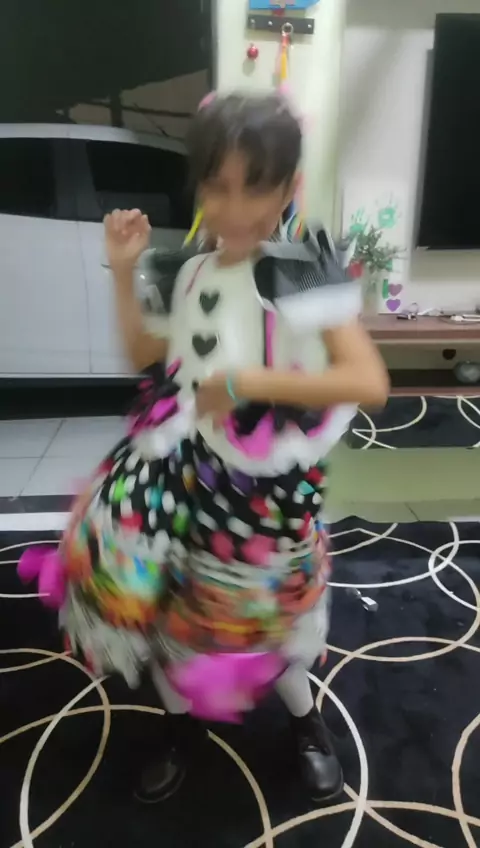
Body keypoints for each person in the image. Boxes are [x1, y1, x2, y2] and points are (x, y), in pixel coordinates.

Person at [20, 92, 389, 805]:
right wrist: (123, 270)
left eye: (255, 187)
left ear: (286, 188)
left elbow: (368, 381)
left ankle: (306, 722)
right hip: (190, 471)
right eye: (218, 186)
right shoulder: (190, 271)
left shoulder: (299, 270)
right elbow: (148, 354)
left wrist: (248, 382)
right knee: (177, 610)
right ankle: (180, 727)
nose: (235, 208)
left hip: (270, 489)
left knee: (271, 619)